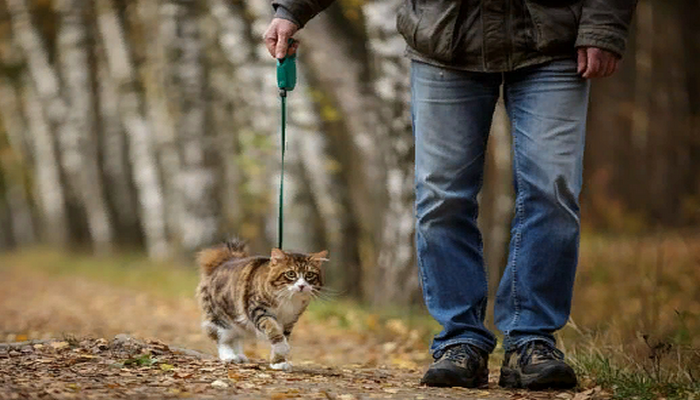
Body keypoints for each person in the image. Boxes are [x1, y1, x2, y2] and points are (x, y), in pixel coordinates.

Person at [263, 0, 636, 390]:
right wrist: (291, 10)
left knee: (553, 192)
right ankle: (460, 341)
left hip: (554, 39)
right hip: (445, 40)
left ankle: (532, 340)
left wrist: (602, 28)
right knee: (442, 198)